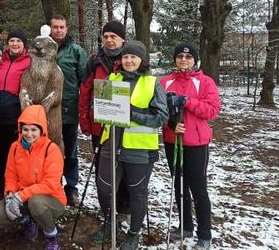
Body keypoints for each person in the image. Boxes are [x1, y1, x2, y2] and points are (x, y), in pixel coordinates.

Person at [94, 41, 168, 250]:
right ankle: (110, 224)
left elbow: (160, 117)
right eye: (125, 57)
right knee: (104, 188)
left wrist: (130, 112)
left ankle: (133, 234)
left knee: (137, 192)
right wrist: (98, 106)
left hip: (139, 149)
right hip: (111, 143)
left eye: (133, 57)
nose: (128, 60)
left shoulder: (152, 83)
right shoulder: (112, 79)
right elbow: (100, 109)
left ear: (141, 60)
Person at [160, 42, 220, 250]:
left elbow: (212, 110)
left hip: (196, 142)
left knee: (198, 188)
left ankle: (205, 233)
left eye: (188, 57)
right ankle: (185, 226)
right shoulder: (165, 81)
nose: (183, 60)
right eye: (179, 57)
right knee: (179, 184)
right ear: (175, 59)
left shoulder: (205, 82)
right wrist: (171, 124)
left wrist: (187, 102)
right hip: (172, 140)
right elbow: (159, 110)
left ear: (195, 60)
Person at [78, 20, 131, 240]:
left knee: (126, 170)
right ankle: (107, 209)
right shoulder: (95, 61)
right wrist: (85, 121)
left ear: (122, 39)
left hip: (126, 128)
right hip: (101, 127)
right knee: (103, 170)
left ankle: (124, 210)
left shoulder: (129, 60)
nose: (109, 40)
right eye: (106, 36)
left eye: (114, 36)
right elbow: (85, 91)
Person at [0, 105, 66, 250]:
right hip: (23, 197)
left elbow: (50, 184)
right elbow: (10, 175)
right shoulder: (15, 147)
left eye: (33, 130)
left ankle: (52, 236)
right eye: (25, 129)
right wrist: (10, 195)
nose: (29, 134)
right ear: (20, 129)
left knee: (36, 203)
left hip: (51, 201)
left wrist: (21, 196)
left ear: (42, 130)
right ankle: (30, 220)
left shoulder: (51, 149)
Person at [49, 14, 88, 206]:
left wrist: (83, 109)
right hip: (47, 112)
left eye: (61, 27)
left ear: (66, 29)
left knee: (70, 151)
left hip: (69, 111)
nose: (58, 30)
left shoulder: (76, 52)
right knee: (49, 151)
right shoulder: (42, 49)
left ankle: (71, 188)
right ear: (50, 28)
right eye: (55, 27)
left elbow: (85, 82)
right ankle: (51, 185)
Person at [0, 29, 31, 197]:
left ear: (24, 44)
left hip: (15, 116)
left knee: (13, 158)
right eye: (12, 40)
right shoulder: (0, 59)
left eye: (18, 41)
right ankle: (2, 191)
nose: (14, 44)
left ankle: (16, 193)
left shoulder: (29, 61)